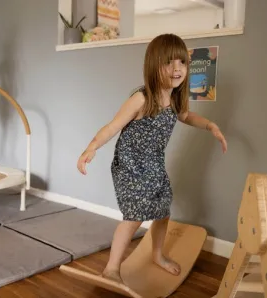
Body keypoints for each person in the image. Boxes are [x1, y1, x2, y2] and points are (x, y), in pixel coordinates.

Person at [77, 33, 227, 283]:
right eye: (169, 63)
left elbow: (186, 117)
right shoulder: (142, 98)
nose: (177, 69)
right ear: (154, 65)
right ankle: (112, 268)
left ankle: (157, 254)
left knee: (162, 212)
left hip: (154, 163)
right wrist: (91, 147)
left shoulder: (175, 98)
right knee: (134, 216)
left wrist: (210, 125)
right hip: (130, 165)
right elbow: (113, 127)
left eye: (181, 62)